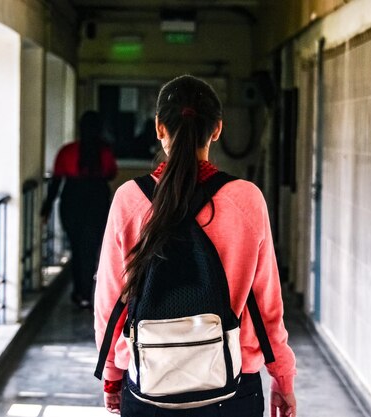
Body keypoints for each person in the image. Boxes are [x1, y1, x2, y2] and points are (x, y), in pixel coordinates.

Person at [94, 75, 297, 417]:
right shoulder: (246, 199)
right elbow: (266, 306)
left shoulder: (129, 199)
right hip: (232, 387)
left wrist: (113, 374)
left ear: (160, 128)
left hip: (147, 382)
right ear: (217, 130)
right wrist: (283, 379)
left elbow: (112, 301)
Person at [41, 111, 117, 309]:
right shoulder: (105, 152)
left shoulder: (67, 151)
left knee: (76, 248)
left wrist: (46, 207)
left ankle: (79, 292)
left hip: (72, 200)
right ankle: (87, 294)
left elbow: (56, 181)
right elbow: (111, 174)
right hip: (97, 200)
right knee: (91, 249)